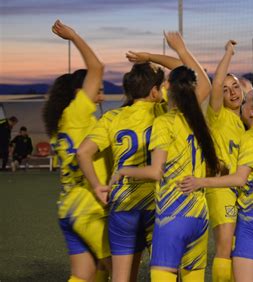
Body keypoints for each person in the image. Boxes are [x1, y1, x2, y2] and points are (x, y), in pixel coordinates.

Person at [77, 31, 212, 282]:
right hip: (157, 204)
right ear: (154, 92)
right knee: (166, 271)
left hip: (124, 205)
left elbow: (83, 153)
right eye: (161, 86)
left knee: (122, 277)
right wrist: (158, 55)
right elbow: (193, 76)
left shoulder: (112, 118)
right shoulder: (164, 112)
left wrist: (97, 186)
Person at [109, 62, 218, 280]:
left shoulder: (165, 122)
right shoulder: (197, 122)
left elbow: (155, 172)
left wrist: (123, 171)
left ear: (168, 86)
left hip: (172, 216)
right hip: (199, 215)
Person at [180, 86, 253, 282]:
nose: (241, 104)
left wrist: (201, 181)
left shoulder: (251, 137)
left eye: (245, 102)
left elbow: (240, 179)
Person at [42, 20, 112, 282]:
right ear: (79, 93)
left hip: (68, 208)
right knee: (119, 270)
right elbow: (97, 66)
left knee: (85, 275)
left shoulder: (58, 122)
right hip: (89, 207)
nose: (102, 95)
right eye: (99, 90)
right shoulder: (78, 114)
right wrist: (74, 36)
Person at [204, 40, 246, 282]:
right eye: (227, 88)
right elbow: (216, 83)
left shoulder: (243, 122)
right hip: (220, 188)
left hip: (237, 188)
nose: (232, 92)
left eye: (236, 86)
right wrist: (229, 53)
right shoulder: (217, 116)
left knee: (235, 245)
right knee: (224, 244)